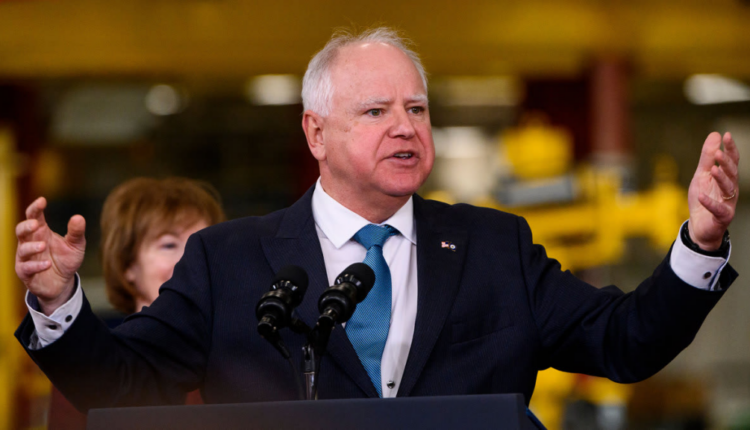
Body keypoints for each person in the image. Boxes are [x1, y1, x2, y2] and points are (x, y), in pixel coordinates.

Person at [14, 28, 739, 422]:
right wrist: (57, 300)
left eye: (416, 109)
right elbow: (119, 384)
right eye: (375, 111)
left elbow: (626, 342)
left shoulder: (494, 247)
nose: (405, 127)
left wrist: (700, 244)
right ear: (316, 133)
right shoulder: (225, 261)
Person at [46, 177, 225, 427]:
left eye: (201, 246)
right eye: (169, 245)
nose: (190, 260)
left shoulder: (235, 359)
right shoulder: (91, 365)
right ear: (127, 264)